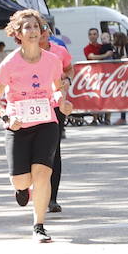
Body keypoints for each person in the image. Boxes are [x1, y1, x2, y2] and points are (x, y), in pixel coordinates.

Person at [0, 9, 72, 243]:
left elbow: (57, 89)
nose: (33, 31)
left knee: (43, 173)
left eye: (36, 26)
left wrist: (63, 103)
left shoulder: (53, 61)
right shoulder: (9, 64)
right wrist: (6, 116)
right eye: (27, 27)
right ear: (18, 33)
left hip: (47, 123)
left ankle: (39, 225)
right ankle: (22, 189)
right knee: (21, 180)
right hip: (18, 126)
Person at [41, 22, 74, 214]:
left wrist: (67, 80)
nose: (41, 33)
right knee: (32, 150)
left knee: (54, 150)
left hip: (56, 104)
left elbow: (69, 69)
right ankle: (26, 185)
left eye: (44, 29)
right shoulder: (26, 53)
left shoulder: (59, 51)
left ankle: (52, 198)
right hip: (31, 106)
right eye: (37, 28)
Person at [112, 31, 128, 125]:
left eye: (114, 38)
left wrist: (126, 57)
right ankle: (122, 117)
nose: (112, 40)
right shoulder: (116, 48)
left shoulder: (127, 47)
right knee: (122, 97)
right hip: (121, 75)